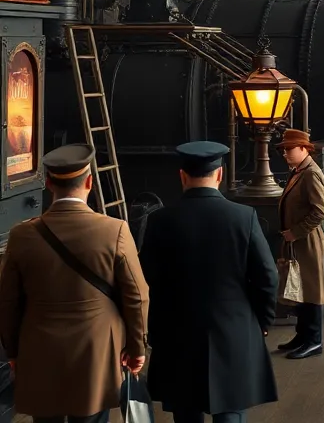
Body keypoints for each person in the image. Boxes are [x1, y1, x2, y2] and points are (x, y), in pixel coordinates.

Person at [0, 144, 149, 423]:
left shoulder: (21, 235)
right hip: (96, 353)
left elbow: (7, 301)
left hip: (39, 350)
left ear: (48, 184)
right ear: (90, 182)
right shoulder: (114, 231)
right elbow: (137, 297)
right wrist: (136, 348)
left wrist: (13, 352)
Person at [138, 142, 278, 423]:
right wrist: (261, 321)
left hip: (177, 336)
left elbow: (146, 281)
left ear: (182, 176)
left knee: (186, 414)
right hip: (234, 331)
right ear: (220, 175)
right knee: (231, 412)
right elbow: (267, 276)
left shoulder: (159, 221)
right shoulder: (244, 217)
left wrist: (153, 330)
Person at [276, 129, 324, 359]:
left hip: (306, 241)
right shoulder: (299, 171)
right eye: (284, 150)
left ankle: (314, 340)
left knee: (311, 291)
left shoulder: (310, 174)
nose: (285, 153)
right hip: (298, 241)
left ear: (304, 148)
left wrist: (295, 232)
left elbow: (320, 211)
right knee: (300, 289)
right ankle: (302, 335)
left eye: (289, 149)